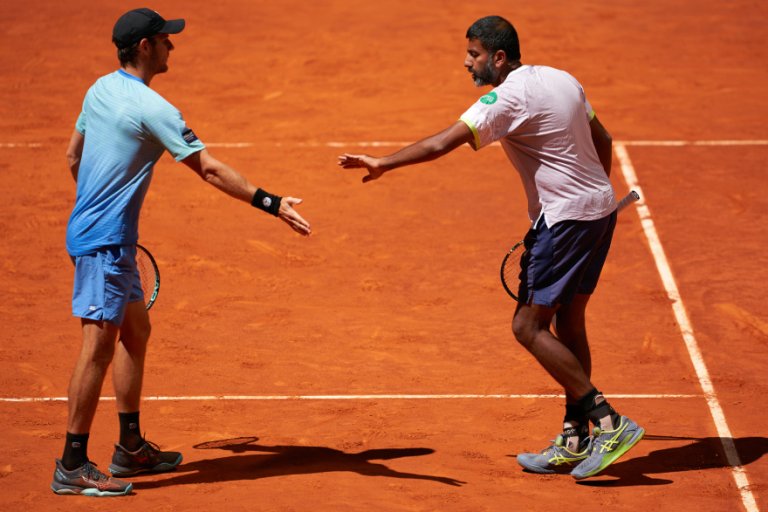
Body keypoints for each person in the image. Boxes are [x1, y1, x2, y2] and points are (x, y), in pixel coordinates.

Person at [338, 15, 643, 480]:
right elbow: (603, 138)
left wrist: (384, 162)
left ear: (499, 58)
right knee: (569, 320)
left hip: (563, 222)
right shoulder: (564, 78)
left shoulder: (505, 98)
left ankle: (607, 421)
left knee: (527, 326)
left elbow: (444, 141)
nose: (467, 63)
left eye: (474, 55)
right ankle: (575, 437)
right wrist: (595, 194)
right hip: (599, 211)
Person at [52, 8, 311, 497]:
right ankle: (71, 462)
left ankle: (129, 448)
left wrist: (95, 209)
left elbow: (73, 157)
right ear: (146, 47)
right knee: (97, 347)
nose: (173, 46)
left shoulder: (98, 90)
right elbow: (209, 169)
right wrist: (272, 203)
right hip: (104, 244)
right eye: (165, 40)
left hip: (103, 237)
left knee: (135, 328)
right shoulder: (155, 109)